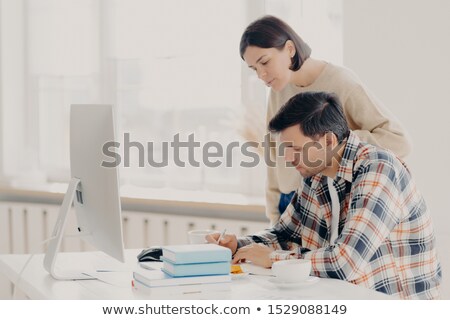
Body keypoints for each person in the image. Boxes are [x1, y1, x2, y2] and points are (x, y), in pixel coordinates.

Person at [207, 92, 441, 299]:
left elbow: (345, 262)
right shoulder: (316, 173)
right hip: (346, 298)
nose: (288, 158)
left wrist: (273, 259)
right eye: (285, 149)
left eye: (296, 149)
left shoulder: (378, 169)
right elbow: (286, 234)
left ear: (329, 140)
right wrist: (240, 245)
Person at [240, 15, 412, 226]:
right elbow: (273, 155)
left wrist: (333, 144)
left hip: (327, 203)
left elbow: (398, 140)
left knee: (326, 260)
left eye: (265, 62)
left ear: (290, 49)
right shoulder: (278, 89)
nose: (261, 74)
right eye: (254, 69)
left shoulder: (341, 82)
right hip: (289, 204)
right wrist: (275, 216)